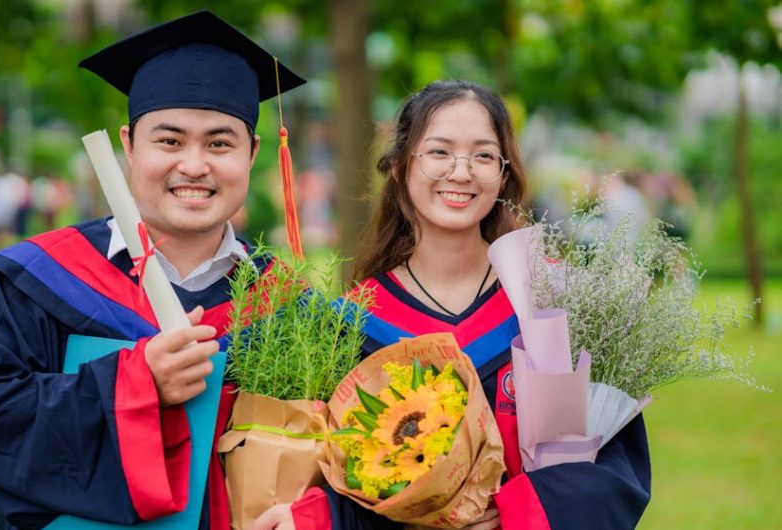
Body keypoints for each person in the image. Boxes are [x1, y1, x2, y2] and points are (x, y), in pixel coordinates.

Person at [0, 10, 304, 530]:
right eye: (169, 141)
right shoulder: (42, 280)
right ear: (129, 145)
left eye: (220, 143)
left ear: (253, 154)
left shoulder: (288, 305)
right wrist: (133, 385)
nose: (195, 165)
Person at [254, 80, 651, 530]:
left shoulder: (553, 301)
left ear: (503, 174)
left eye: (483, 156)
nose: (461, 173)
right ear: (402, 167)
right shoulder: (356, 323)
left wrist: (514, 514)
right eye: (439, 152)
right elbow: (337, 474)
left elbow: (617, 468)